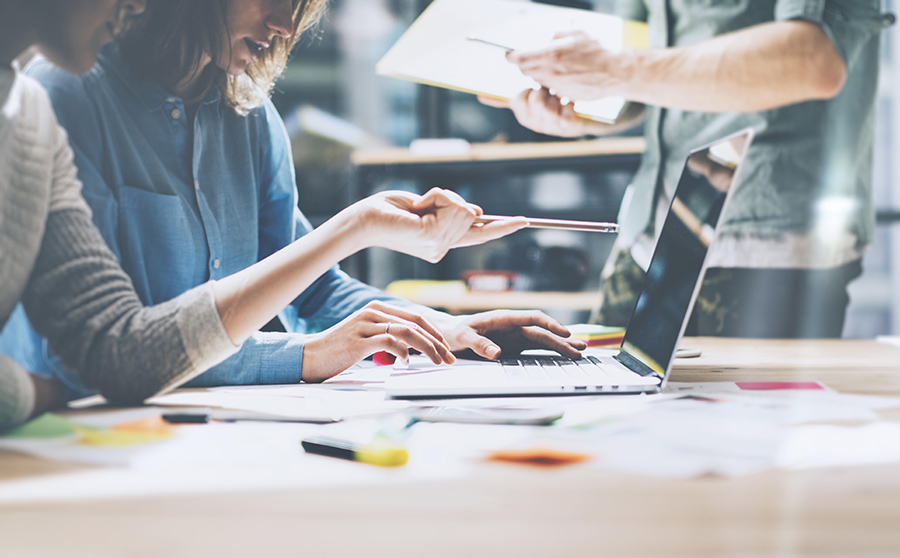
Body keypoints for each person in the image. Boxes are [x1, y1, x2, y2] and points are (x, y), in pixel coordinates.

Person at [0, 0, 576, 428]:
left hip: (204, 433)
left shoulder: (247, 112)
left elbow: (314, 291)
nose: (283, 26)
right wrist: (305, 356)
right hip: (87, 430)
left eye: (298, 8)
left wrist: (442, 329)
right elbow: (98, 353)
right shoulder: (61, 95)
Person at [481, 0, 892, 338]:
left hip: (765, 243)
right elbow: (643, 66)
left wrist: (613, 70)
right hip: (647, 233)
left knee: (746, 434)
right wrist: (583, 110)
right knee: (603, 414)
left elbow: (813, 58)